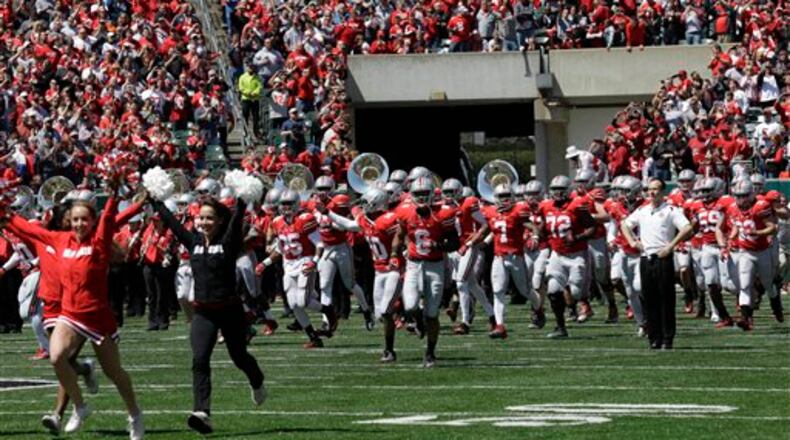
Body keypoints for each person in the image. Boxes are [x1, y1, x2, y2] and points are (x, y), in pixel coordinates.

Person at [2, 182, 144, 439]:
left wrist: (113, 195)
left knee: (115, 373)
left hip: (98, 317)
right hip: (69, 314)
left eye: (84, 220)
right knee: (57, 357)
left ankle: (134, 413)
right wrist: (5, 213)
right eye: (75, 219)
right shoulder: (59, 239)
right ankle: (80, 406)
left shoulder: (99, 242)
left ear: (92, 221)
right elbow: (25, 229)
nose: (79, 224)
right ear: (69, 220)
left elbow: (112, 217)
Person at [151, 194, 266, 434]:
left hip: (230, 310)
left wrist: (243, 201)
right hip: (203, 312)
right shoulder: (193, 241)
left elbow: (236, 222)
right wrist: (156, 202)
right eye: (200, 217)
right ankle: (202, 412)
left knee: (239, 357)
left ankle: (257, 380)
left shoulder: (228, 241)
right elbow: (173, 224)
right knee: (199, 359)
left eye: (209, 218)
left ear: (220, 221)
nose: (203, 222)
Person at [392, 176, 459, 367]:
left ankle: (430, 352)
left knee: (432, 314)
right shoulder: (405, 212)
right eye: (418, 194)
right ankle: (418, 323)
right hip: (413, 263)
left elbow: (455, 242)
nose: (421, 197)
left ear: (432, 194)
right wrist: (394, 254)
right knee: (411, 306)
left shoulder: (444, 214)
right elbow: (399, 235)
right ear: (411, 195)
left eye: (424, 193)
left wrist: (438, 244)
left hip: (435, 265)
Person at [622, 178, 692, 350]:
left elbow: (687, 227)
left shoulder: (670, 210)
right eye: (649, 190)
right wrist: (632, 241)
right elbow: (625, 224)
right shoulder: (643, 210)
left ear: (662, 192)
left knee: (666, 299)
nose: (651, 193)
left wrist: (670, 246)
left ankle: (668, 337)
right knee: (649, 299)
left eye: (655, 189)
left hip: (662, 257)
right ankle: (654, 337)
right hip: (646, 258)